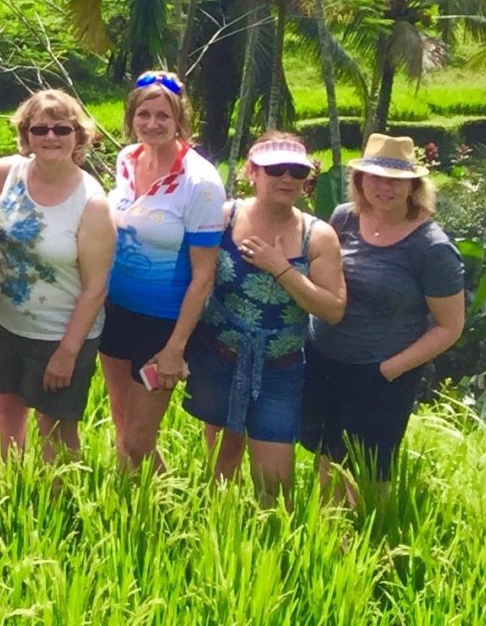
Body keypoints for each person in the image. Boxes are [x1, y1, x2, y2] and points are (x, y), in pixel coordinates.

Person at [303, 134, 466, 498]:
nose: (384, 187)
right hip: (325, 359)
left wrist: (390, 368)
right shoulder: (344, 218)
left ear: (414, 186)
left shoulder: (432, 247)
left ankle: (373, 539)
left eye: (396, 180)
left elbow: (450, 326)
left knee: (372, 469)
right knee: (327, 454)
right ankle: (330, 539)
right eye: (375, 176)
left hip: (382, 372)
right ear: (360, 180)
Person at [185, 133, 345, 499]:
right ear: (252, 172)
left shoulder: (317, 236)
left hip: (279, 368)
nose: (286, 178)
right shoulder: (225, 217)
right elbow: (198, 279)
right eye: (275, 169)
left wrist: (282, 270)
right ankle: (219, 542)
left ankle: (273, 549)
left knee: (273, 485)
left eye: (296, 171)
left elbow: (333, 310)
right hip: (219, 357)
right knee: (220, 470)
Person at [0, 89, 112, 463]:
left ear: (78, 136)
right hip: (4, 324)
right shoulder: (7, 173)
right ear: (26, 135)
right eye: (41, 129)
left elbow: (96, 288)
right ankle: (14, 493)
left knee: (56, 430)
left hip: (60, 335)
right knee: (6, 417)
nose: (51, 137)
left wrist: (67, 353)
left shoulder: (92, 202)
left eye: (61, 129)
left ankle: (58, 511)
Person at [98, 70, 224, 472]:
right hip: (116, 313)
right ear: (131, 117)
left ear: (180, 120)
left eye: (163, 117)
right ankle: (136, 516)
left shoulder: (200, 182)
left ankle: (162, 515)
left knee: (138, 440)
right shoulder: (126, 160)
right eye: (144, 115)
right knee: (124, 429)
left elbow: (204, 275)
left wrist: (175, 348)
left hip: (164, 324)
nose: (152, 124)